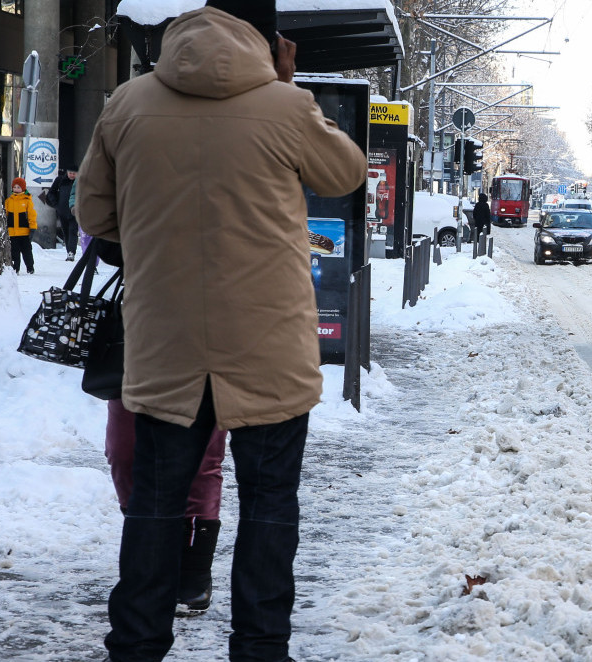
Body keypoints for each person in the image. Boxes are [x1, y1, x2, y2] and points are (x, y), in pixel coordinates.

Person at [76, 1, 366, 659]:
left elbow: (96, 212)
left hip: (164, 348)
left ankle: (137, 644)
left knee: (155, 505)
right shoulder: (286, 108)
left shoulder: (126, 102)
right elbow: (345, 173)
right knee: (269, 506)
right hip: (270, 352)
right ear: (271, 42)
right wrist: (289, 89)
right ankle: (260, 647)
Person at [92, 238, 230, 614]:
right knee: (123, 452)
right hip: (140, 330)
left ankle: (194, 570)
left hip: (211, 324)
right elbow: (104, 240)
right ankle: (152, 553)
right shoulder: (138, 176)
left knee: (203, 459)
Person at [46, 165, 80, 260]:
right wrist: (56, 205)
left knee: (73, 231)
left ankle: (71, 252)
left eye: (74, 173)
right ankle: (69, 251)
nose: (72, 175)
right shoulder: (60, 180)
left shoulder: (79, 182)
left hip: (74, 211)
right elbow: (51, 193)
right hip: (62, 211)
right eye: (70, 173)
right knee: (66, 231)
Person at [4, 177, 36, 274]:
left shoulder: (27, 200)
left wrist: (33, 227)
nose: (16, 189)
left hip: (24, 232)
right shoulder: (9, 201)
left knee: (27, 251)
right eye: (15, 187)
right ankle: (15, 268)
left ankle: (30, 267)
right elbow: (5, 215)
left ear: (23, 188)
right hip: (12, 232)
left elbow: (32, 215)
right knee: (14, 252)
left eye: (19, 187)